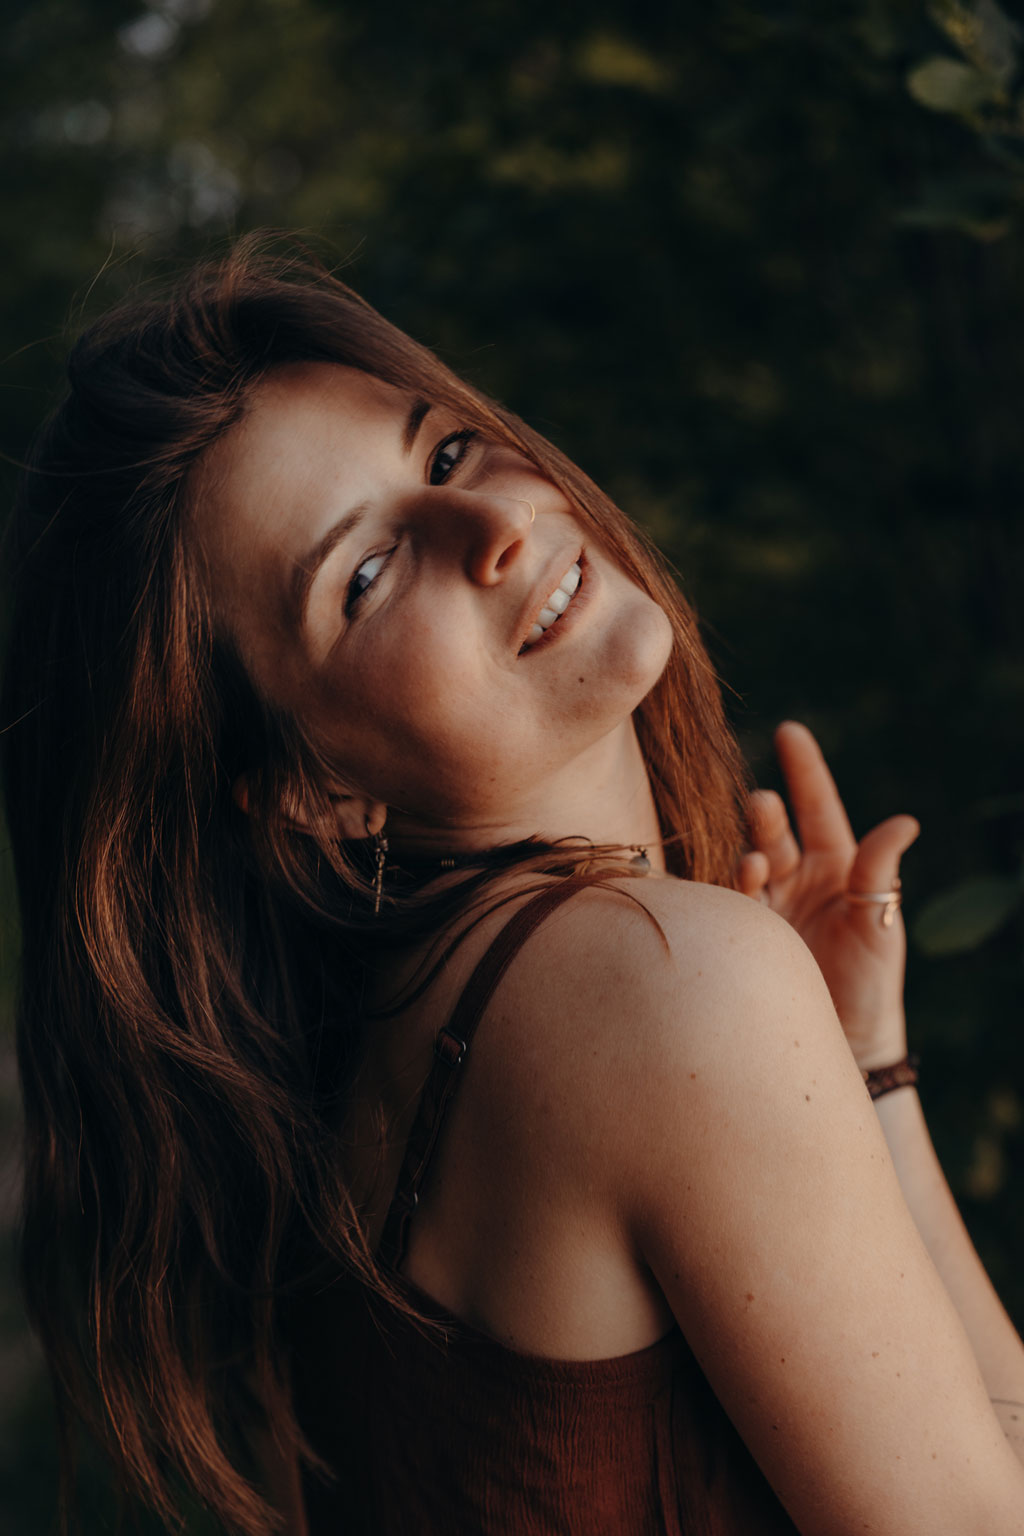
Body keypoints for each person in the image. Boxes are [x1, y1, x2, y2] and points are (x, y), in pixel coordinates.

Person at [3, 234, 1023, 1536]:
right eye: (365, 578)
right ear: (312, 790)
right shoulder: (662, 982)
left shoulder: (392, 1045)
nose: (492, 524)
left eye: (441, 453)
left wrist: (859, 1060)